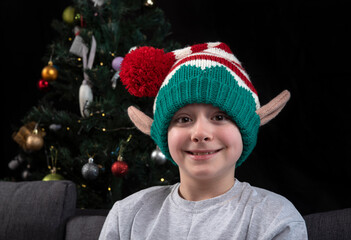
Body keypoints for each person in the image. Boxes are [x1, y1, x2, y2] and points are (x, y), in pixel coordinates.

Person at [99, 42, 308, 239]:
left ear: (246, 129)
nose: (200, 133)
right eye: (184, 119)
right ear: (163, 134)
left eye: (219, 117)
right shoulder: (126, 216)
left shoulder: (276, 219)